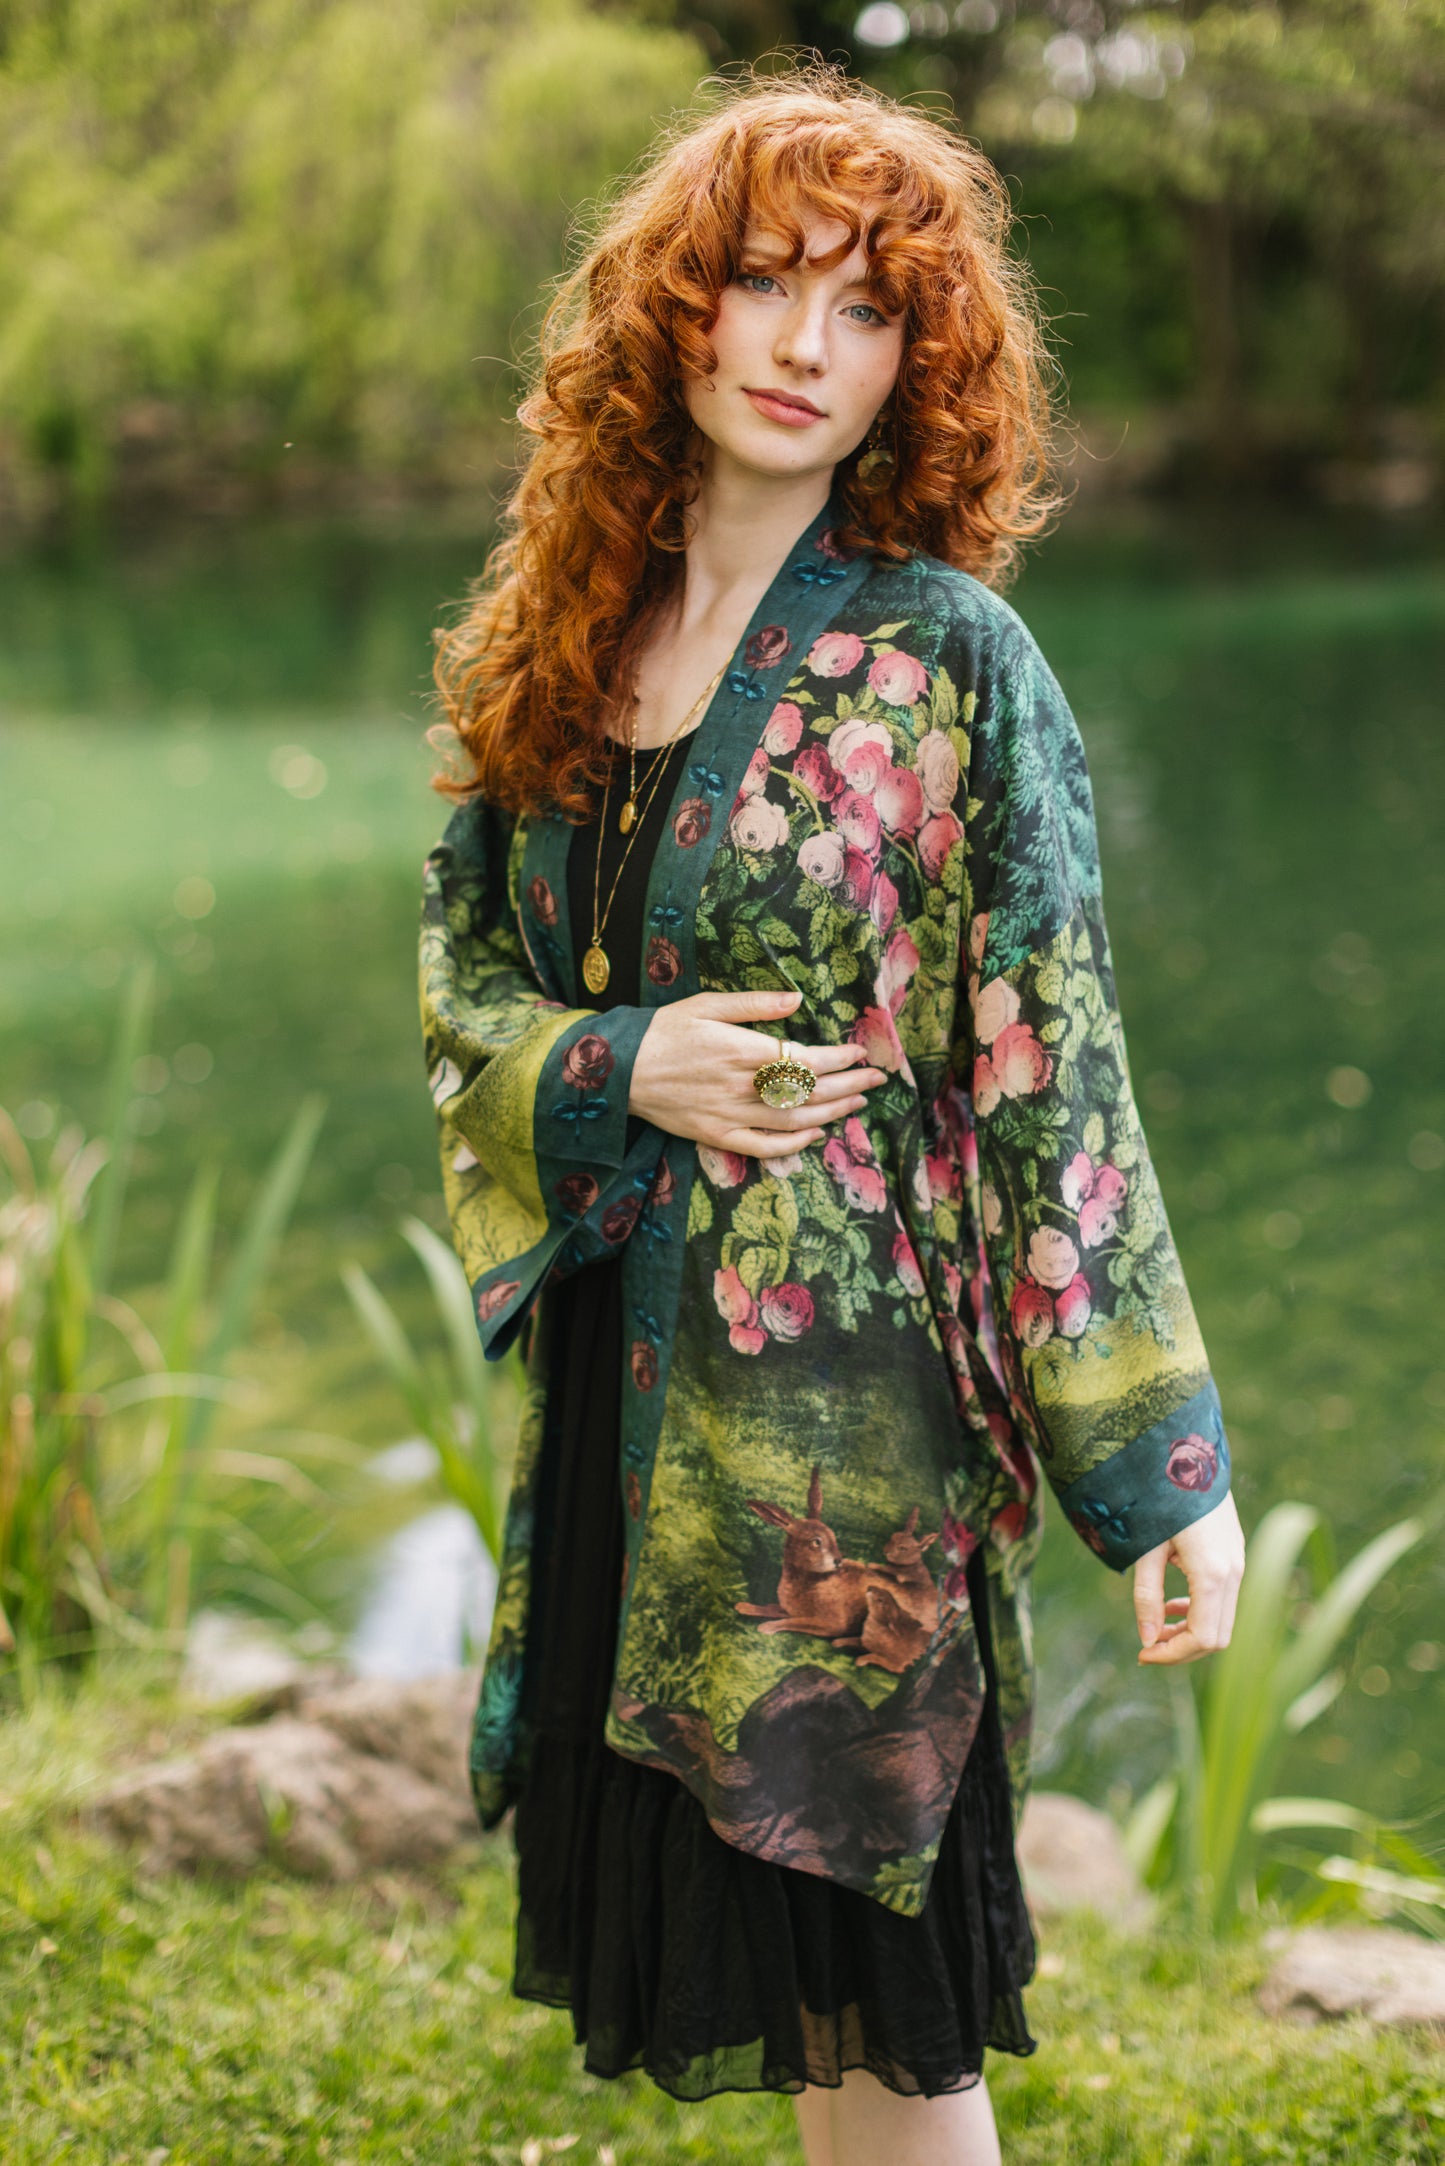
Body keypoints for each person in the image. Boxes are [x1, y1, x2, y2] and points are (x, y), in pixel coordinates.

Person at [419, 68, 1246, 2166]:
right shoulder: (562, 635)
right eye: (768, 284)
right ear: (673, 309)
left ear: (922, 358)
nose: (807, 347)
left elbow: (1049, 1070)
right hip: (633, 1393)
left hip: (844, 1449)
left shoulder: (950, 661)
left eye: (868, 309)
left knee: (886, 2016)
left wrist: (1163, 1471)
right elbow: (464, 989)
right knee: (775, 2001)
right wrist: (620, 1070)